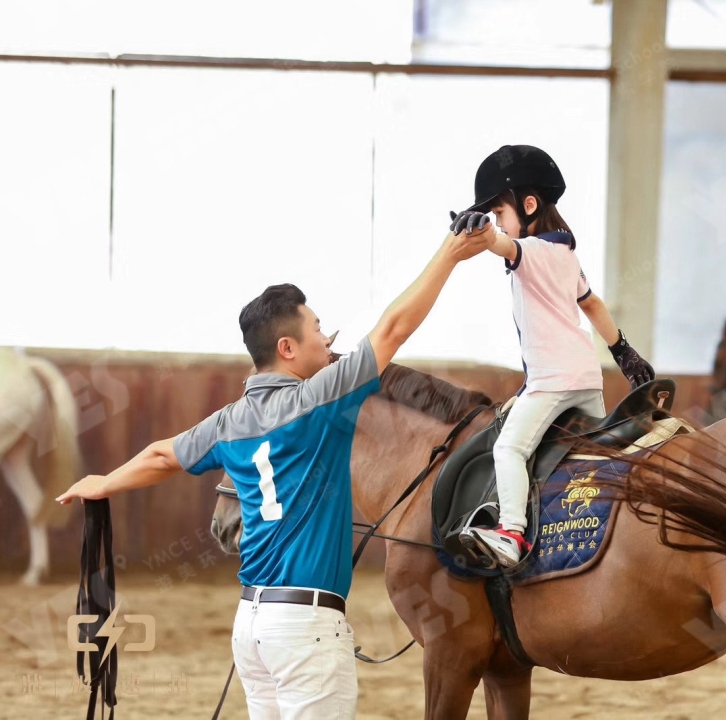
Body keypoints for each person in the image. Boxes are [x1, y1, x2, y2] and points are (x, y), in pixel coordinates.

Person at [56, 227, 491, 718]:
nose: (328, 341)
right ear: (287, 347)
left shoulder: (229, 421)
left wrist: (103, 482)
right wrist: (450, 254)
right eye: (318, 329)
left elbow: (161, 456)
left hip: (252, 627)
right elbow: (393, 328)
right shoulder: (319, 399)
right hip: (305, 628)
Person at [450, 144, 654, 567]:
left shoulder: (534, 252)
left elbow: (502, 244)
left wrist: (483, 233)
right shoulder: (567, 256)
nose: (497, 221)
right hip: (586, 379)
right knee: (590, 456)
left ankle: (511, 533)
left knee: (508, 449)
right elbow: (592, 305)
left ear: (529, 205)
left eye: (499, 212)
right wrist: (623, 352)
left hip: (552, 382)